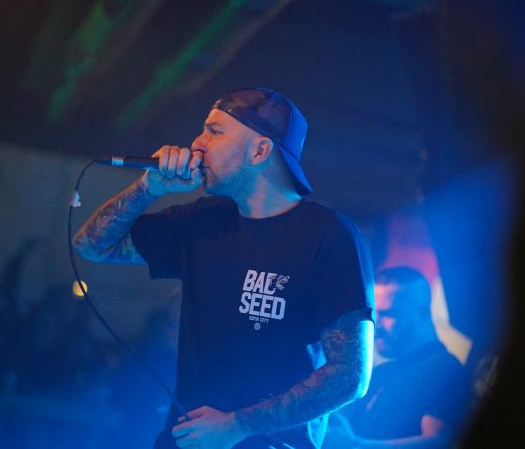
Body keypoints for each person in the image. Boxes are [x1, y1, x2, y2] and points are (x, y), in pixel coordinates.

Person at [74, 87, 375, 449]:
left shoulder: (329, 236)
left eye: (214, 132)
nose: (196, 144)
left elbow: (350, 375)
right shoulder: (202, 221)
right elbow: (92, 246)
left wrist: (238, 425)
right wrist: (148, 187)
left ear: (260, 150)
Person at [327, 268, 472, 448]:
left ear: (422, 313)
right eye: (373, 314)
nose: (376, 324)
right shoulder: (383, 372)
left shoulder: (443, 368)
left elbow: (439, 442)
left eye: (388, 314)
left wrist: (356, 445)